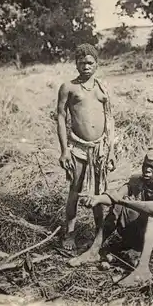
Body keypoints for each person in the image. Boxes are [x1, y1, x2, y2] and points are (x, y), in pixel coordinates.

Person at [77, 142, 153, 286]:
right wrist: (97, 199)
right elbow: (115, 196)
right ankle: (94, 251)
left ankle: (143, 270)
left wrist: (124, 202)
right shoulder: (137, 180)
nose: (147, 170)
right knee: (118, 206)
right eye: (145, 165)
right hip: (146, 237)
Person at [57, 43, 115, 256]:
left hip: (99, 148)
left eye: (90, 63)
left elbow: (109, 118)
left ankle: (99, 233)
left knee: (98, 192)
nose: (86, 66)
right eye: (81, 63)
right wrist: (64, 151)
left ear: (97, 64)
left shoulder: (102, 87)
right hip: (78, 148)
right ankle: (70, 233)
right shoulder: (68, 87)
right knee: (75, 189)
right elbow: (61, 118)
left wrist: (111, 149)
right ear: (76, 64)